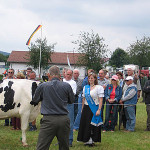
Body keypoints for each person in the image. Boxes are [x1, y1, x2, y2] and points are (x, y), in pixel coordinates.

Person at [31, 65, 75, 150]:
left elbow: (35, 100)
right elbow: (71, 100)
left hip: (48, 119)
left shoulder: (43, 86)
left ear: (48, 75)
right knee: (64, 146)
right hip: (63, 119)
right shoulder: (66, 86)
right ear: (60, 75)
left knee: (42, 147)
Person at [77, 72, 104, 146]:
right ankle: (86, 139)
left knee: (92, 125)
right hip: (86, 107)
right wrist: (82, 108)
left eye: (92, 78)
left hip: (94, 107)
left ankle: (92, 140)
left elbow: (101, 100)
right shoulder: (85, 87)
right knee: (85, 124)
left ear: (95, 79)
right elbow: (84, 99)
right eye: (89, 78)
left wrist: (99, 109)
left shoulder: (99, 87)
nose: (90, 79)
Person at [63, 69, 77, 147]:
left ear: (71, 75)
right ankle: (61, 140)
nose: (68, 76)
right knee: (61, 123)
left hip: (69, 104)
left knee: (70, 123)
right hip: (61, 104)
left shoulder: (73, 83)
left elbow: (73, 93)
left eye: (69, 74)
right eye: (67, 74)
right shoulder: (62, 81)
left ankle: (70, 140)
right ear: (64, 74)